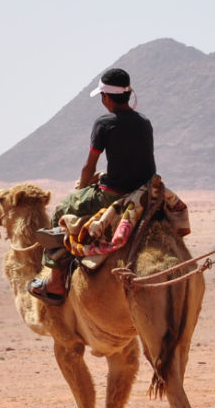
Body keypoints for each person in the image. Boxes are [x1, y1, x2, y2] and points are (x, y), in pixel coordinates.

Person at [28, 66, 158, 304]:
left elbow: (89, 166)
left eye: (102, 96)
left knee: (61, 210)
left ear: (106, 97)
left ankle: (55, 282)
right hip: (145, 192)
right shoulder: (145, 122)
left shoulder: (104, 123)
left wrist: (82, 189)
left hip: (113, 195)